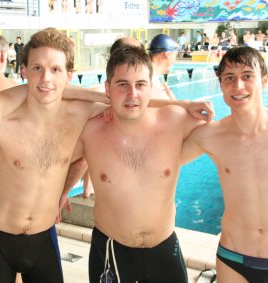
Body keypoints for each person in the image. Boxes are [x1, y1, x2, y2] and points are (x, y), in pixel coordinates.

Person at [0, 28, 215, 283]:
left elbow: (126, 98)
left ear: (68, 74)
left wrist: (180, 106)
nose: (45, 78)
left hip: (43, 240)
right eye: (36, 68)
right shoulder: (0, 112)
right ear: (23, 70)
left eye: (55, 70)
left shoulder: (81, 115)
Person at [62, 45, 205, 282]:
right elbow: (54, 93)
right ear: (107, 87)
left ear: (151, 86)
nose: (132, 94)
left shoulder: (176, 120)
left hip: (164, 248)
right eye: (122, 85)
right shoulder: (90, 130)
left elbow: (229, 135)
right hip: (111, 249)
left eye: (140, 84)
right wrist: (62, 191)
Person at [181, 46, 268, 283]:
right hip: (233, 261)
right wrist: (178, 107)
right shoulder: (210, 135)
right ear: (220, 85)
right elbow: (159, 158)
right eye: (229, 78)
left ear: (264, 80)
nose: (238, 86)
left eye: (247, 76)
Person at [147, 34, 178, 100]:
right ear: (167, 54)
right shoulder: (149, 80)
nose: (175, 61)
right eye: (175, 56)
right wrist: (172, 103)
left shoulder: (149, 73)